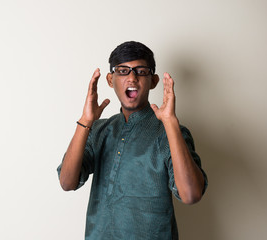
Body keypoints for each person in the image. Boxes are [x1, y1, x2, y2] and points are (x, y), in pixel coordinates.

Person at [57, 41, 208, 240]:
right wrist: (85, 121)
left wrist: (170, 122)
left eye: (141, 71)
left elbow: (191, 195)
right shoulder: (99, 129)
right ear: (111, 80)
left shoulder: (170, 132)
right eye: (123, 71)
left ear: (153, 81)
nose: (132, 78)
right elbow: (67, 182)